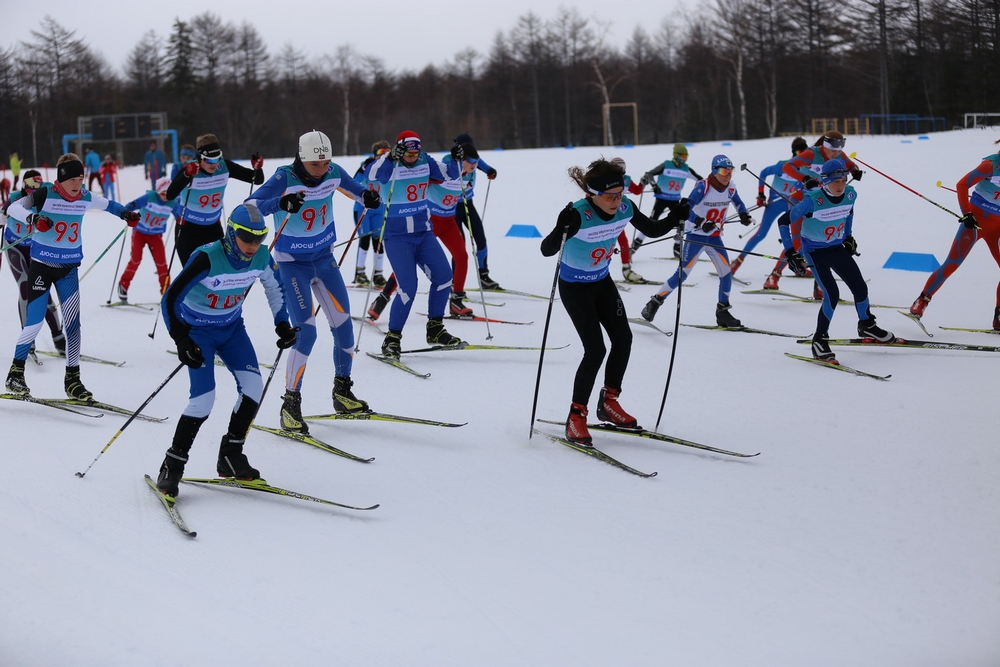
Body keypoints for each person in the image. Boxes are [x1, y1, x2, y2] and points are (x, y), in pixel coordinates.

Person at [539, 157, 687, 445]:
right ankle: (576, 416)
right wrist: (560, 227)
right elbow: (547, 250)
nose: (616, 201)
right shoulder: (579, 214)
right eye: (609, 196)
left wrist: (674, 217)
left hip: (602, 282)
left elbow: (653, 229)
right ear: (592, 195)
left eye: (620, 195)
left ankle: (608, 402)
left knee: (624, 338)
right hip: (574, 287)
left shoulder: (625, 207)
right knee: (595, 349)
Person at [155, 203, 295, 500]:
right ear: (231, 232)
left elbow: (275, 287)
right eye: (247, 237)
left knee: (254, 388)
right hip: (198, 332)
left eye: (259, 238)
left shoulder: (260, 256)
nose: (253, 245)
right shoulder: (207, 257)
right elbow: (170, 299)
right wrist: (181, 339)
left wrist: (282, 323)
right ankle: (172, 465)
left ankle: (231, 454)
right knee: (204, 400)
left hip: (231, 329)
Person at [245, 130, 381, 432]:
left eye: (325, 163)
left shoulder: (333, 172)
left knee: (345, 329)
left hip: (324, 260)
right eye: (315, 165)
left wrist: (368, 197)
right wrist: (281, 203)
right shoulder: (284, 178)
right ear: (302, 159)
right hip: (292, 265)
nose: (321, 171)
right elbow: (250, 207)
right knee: (307, 334)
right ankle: (290, 405)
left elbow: (357, 190)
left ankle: (342, 391)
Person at [4, 154, 139, 397]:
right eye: (73, 180)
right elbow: (14, 208)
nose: (78, 184)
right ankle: (15, 373)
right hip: (41, 267)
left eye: (81, 178)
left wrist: (126, 214)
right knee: (34, 323)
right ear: (62, 178)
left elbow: (109, 204)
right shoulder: (46, 194)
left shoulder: (85, 197)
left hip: (68, 270)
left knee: (74, 326)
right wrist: (34, 217)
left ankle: (73, 381)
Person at [778, 159, 895, 361]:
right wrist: (790, 253)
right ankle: (819, 340)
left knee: (860, 287)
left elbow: (848, 213)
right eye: (835, 182)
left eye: (843, 180)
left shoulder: (850, 194)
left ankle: (867, 325)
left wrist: (848, 237)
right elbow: (783, 221)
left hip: (836, 247)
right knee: (832, 294)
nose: (840, 186)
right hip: (814, 251)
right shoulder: (812, 201)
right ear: (825, 181)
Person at [365, 130, 463, 358]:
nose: (412, 157)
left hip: (423, 232)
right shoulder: (390, 162)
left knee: (444, 277)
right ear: (400, 150)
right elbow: (372, 175)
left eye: (415, 153)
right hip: (397, 237)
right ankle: (392, 339)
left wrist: (456, 159)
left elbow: (448, 175)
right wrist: (390, 157)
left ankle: (435, 329)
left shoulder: (424, 160)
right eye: (407, 153)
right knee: (407, 287)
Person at [367, 142, 482, 320]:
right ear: (461, 160)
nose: (475, 164)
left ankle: (456, 301)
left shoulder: (471, 175)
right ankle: (383, 297)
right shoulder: (445, 169)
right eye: (472, 160)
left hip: (449, 221)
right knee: (408, 261)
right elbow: (421, 178)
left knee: (462, 256)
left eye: (477, 161)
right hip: (431, 221)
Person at [640, 155, 753, 327]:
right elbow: (687, 208)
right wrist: (701, 222)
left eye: (731, 171)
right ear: (714, 171)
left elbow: (738, 203)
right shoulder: (703, 186)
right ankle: (655, 302)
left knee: (726, 272)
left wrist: (744, 214)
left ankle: (722, 311)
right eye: (724, 171)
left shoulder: (731, 188)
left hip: (714, 237)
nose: (728, 175)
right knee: (682, 275)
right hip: (696, 236)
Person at [909, 141, 1000, 329]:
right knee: (952, 263)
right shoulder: (991, 165)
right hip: (976, 222)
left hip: (997, 226)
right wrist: (966, 213)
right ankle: (922, 300)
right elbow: (961, 185)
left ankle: (998, 317)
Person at [165, 134, 264, 267]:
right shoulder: (190, 168)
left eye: (217, 159)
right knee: (192, 275)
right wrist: (186, 175)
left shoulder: (225, 166)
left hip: (212, 229)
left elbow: (256, 179)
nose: (214, 164)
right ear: (200, 158)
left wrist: (258, 168)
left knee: (218, 272)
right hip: (188, 230)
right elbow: (170, 195)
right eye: (209, 160)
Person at [1, 170, 65, 355]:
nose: (32, 194)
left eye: (35, 190)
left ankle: (58, 336)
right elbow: (3, 212)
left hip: (35, 248)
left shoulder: (43, 196)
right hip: (15, 247)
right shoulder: (14, 197)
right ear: (24, 186)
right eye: (29, 189)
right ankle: (27, 339)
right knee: (25, 287)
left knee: (42, 288)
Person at [731, 137, 808, 276]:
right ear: (794, 152)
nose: (802, 155)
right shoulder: (783, 166)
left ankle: (798, 265)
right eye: (799, 151)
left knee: (800, 236)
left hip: (793, 204)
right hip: (776, 203)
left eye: (805, 152)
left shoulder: (806, 170)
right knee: (761, 233)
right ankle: (737, 262)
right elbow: (763, 173)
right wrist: (761, 195)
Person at [450, 133, 502, 290]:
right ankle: (454, 282)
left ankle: (484, 276)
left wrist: (491, 172)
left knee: (481, 239)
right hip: (452, 209)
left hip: (468, 204)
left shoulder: (474, 159)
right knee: (459, 246)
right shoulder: (449, 160)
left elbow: (486, 167)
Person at [632, 143, 703, 259]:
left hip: (675, 200)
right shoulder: (666, 165)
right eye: (682, 156)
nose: (684, 159)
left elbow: (701, 180)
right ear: (676, 155)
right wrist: (654, 186)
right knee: (651, 221)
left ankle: (677, 248)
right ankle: (635, 245)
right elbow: (649, 174)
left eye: (686, 156)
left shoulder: (686, 169)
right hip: (661, 199)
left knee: (680, 222)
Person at [117, 176, 175, 301]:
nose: (165, 196)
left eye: (168, 192)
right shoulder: (149, 197)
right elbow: (131, 205)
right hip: (140, 232)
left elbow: (180, 215)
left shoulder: (173, 201)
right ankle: (123, 285)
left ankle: (166, 292)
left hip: (156, 235)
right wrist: (129, 215)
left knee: (162, 263)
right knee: (136, 259)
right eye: (162, 193)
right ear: (158, 191)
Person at [352, 140, 390, 287]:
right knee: (365, 240)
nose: (383, 157)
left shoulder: (390, 168)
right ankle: (360, 273)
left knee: (379, 242)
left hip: (379, 210)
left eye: (387, 153)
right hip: (364, 209)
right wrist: (363, 169)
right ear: (374, 155)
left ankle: (378, 274)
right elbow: (354, 181)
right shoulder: (367, 165)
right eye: (380, 153)